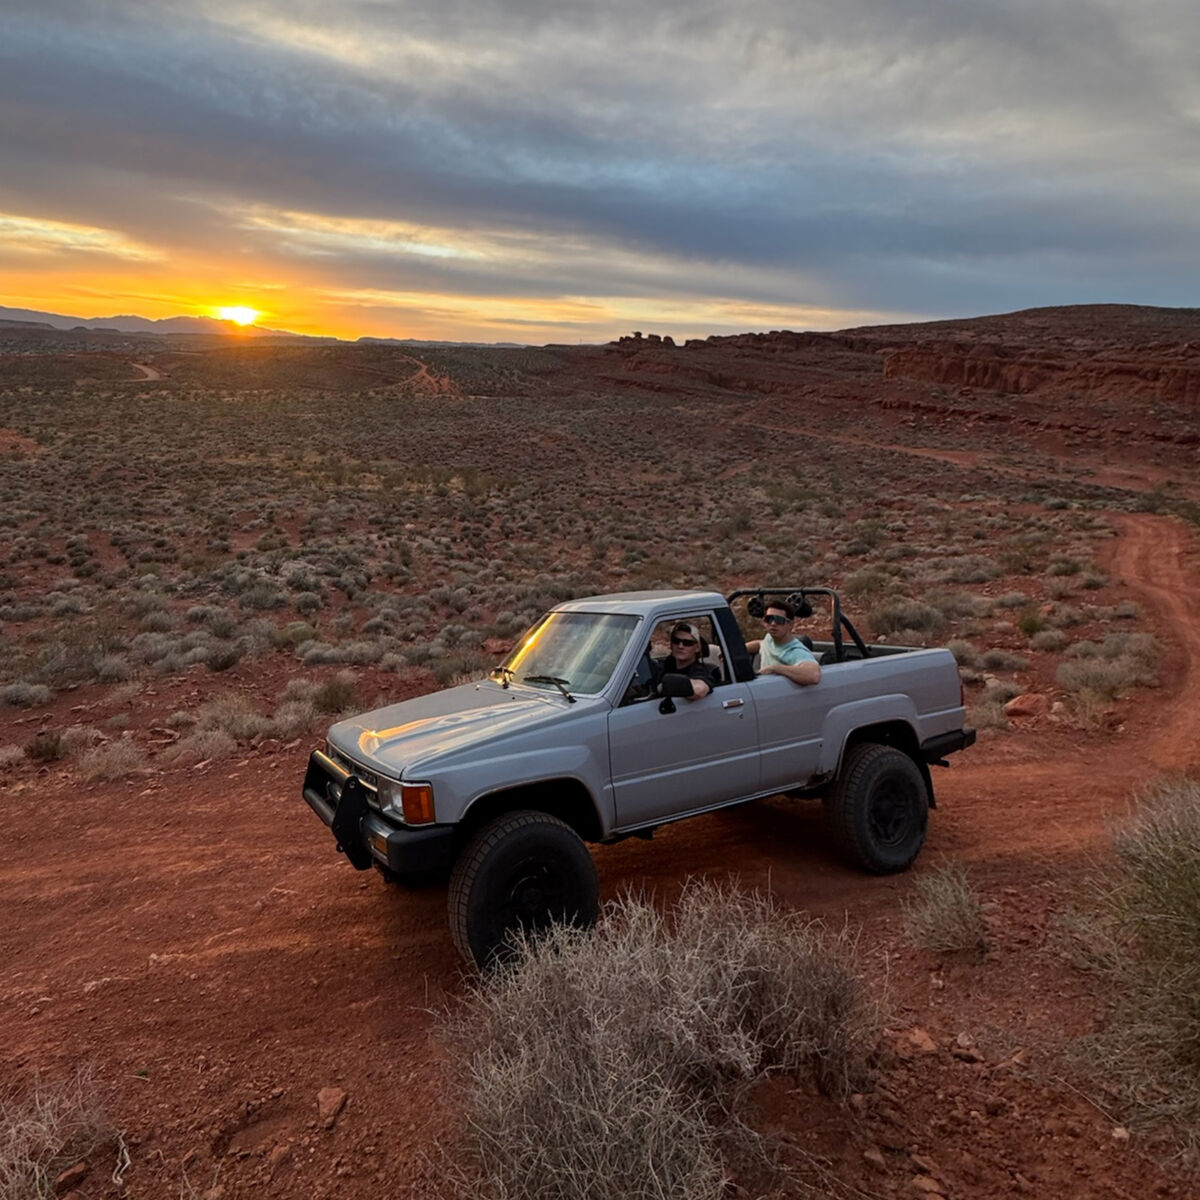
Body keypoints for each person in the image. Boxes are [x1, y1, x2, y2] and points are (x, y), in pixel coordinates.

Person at [745, 600, 821, 686]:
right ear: (764, 622)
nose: (773, 623)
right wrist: (737, 651)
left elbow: (814, 675)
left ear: (790, 625)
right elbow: (760, 644)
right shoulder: (769, 638)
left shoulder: (795, 651)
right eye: (769, 619)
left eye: (779, 620)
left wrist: (774, 669)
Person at [653, 621, 720, 699]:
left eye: (687, 643)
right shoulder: (663, 665)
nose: (680, 646)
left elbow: (699, 690)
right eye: (676, 641)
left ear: (697, 648)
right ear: (671, 644)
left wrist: (664, 686)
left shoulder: (699, 671)